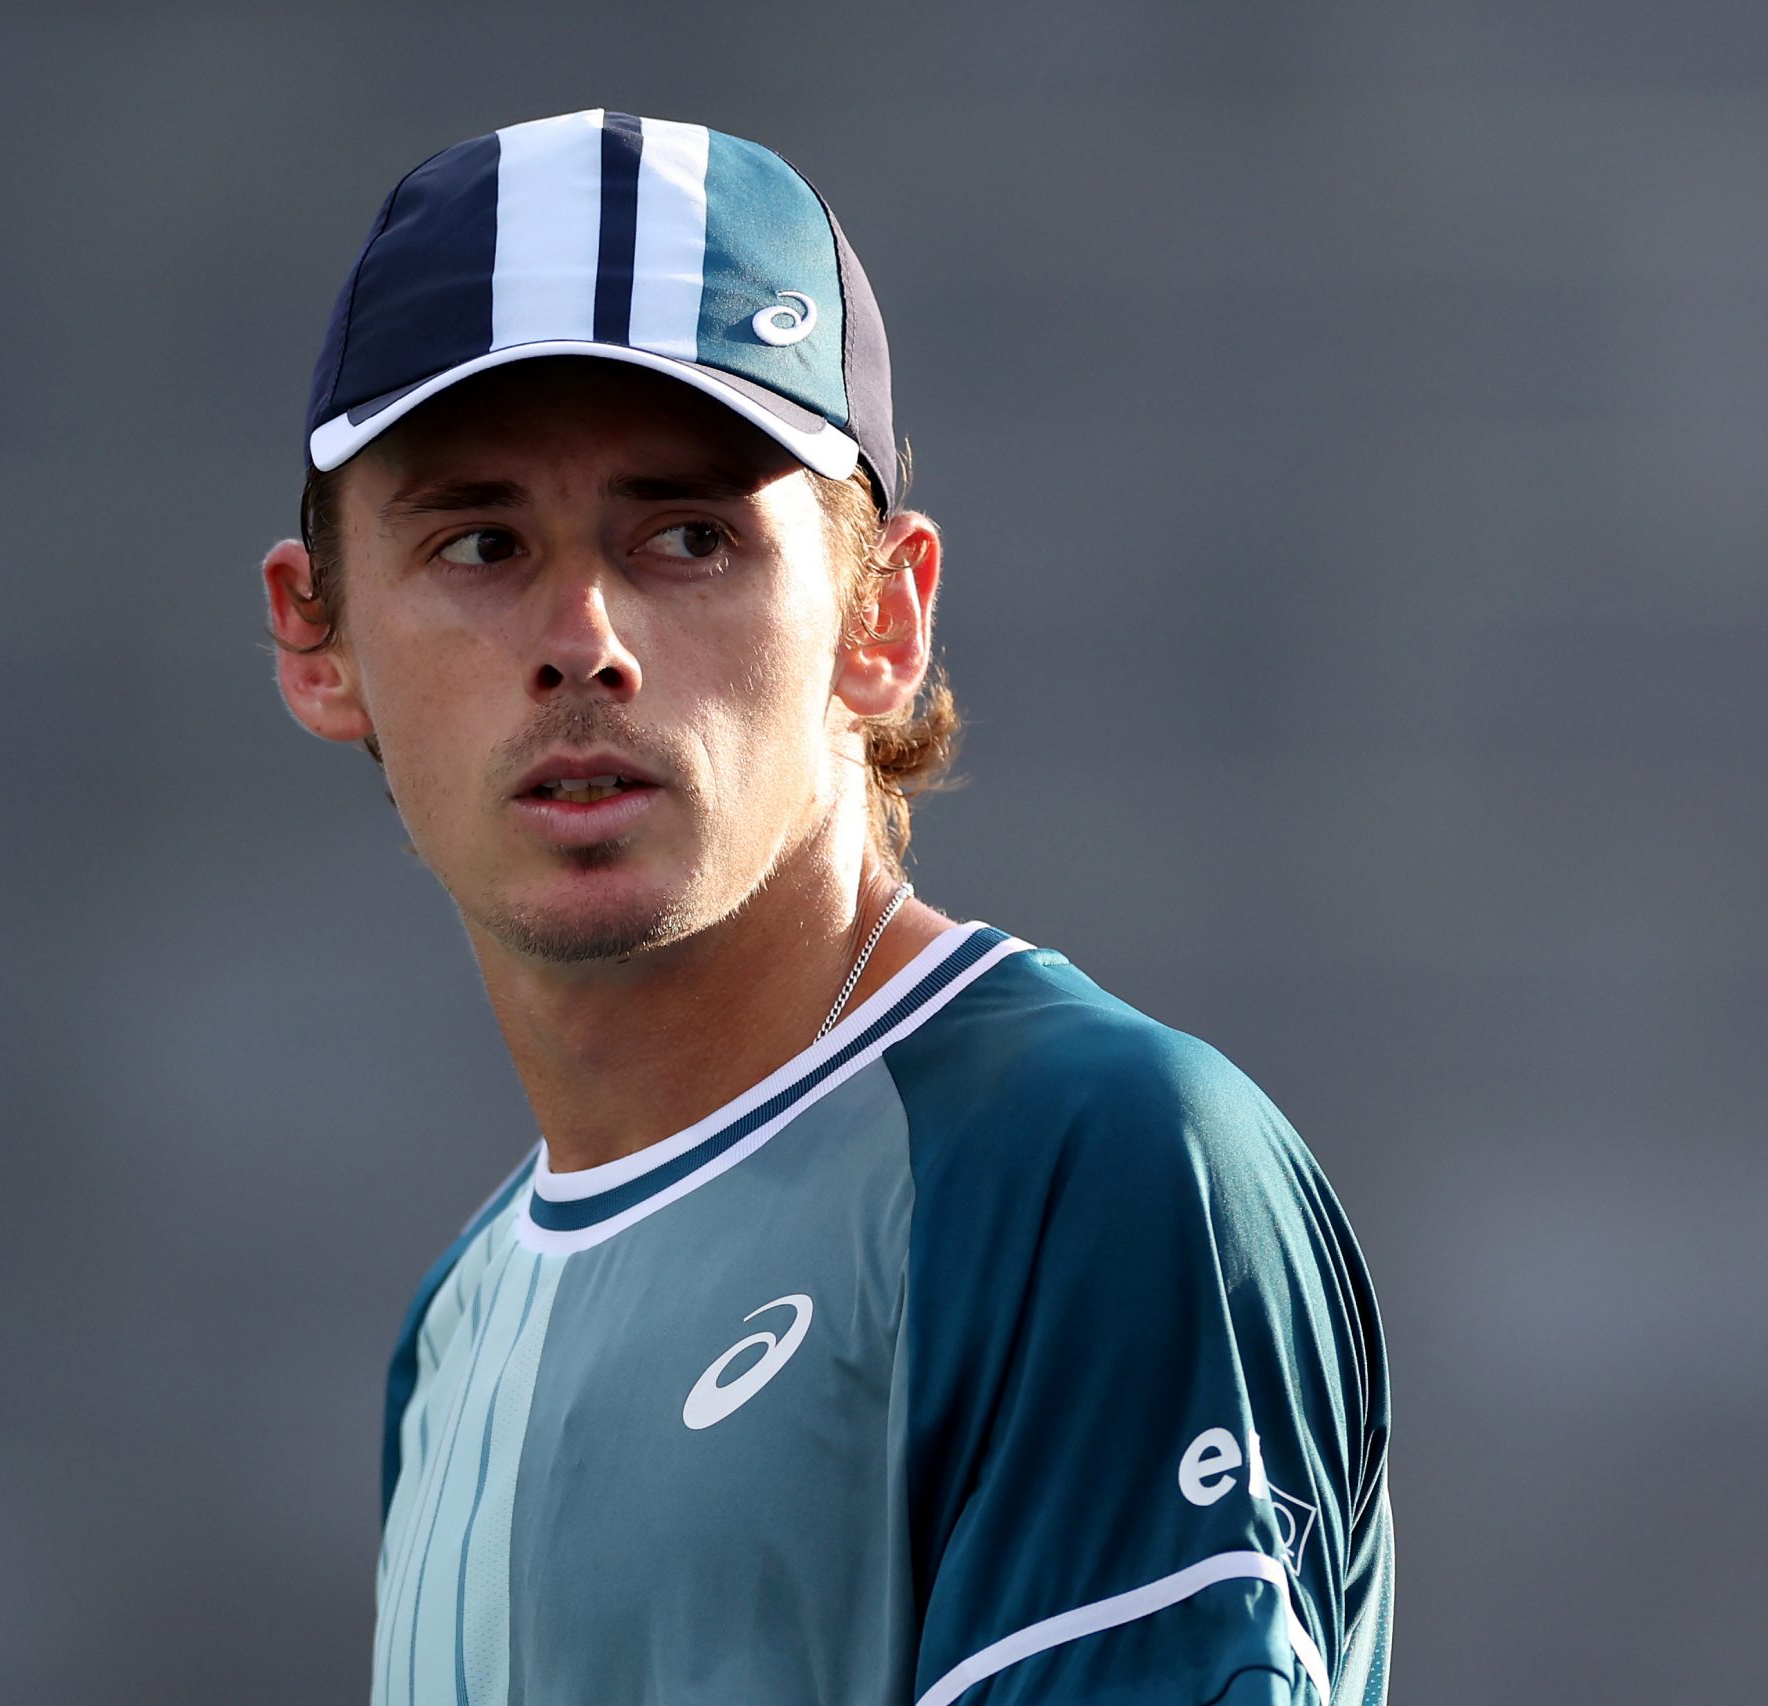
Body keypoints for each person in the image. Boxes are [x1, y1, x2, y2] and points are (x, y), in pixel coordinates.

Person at [264, 109, 1392, 1706]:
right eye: (482, 540)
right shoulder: (455, 1333)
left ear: (884, 618)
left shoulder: (1094, 1165)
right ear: (320, 642)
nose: (585, 637)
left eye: (688, 534)